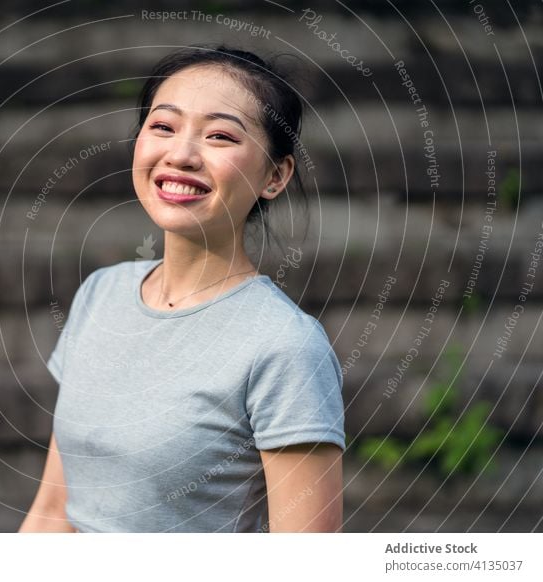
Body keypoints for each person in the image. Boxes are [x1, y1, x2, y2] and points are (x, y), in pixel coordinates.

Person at [19, 45, 345, 533]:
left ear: (275, 176)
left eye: (219, 136)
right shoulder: (101, 294)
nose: (181, 155)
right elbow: (52, 514)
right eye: (163, 127)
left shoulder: (285, 347)